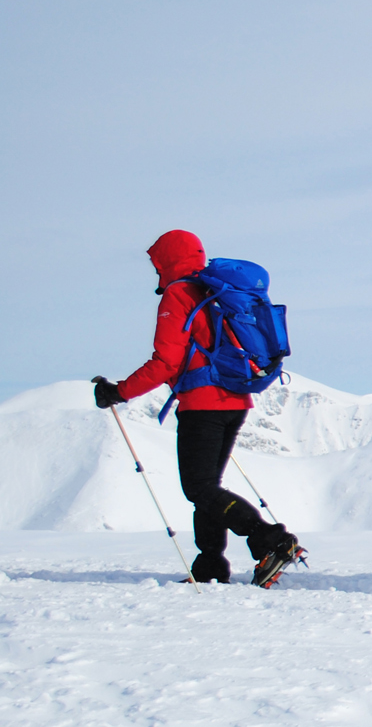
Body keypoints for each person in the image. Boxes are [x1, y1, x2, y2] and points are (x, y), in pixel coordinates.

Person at [91, 230, 300, 585]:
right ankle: (211, 567)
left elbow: (166, 362)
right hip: (235, 400)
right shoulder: (213, 291)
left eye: (157, 262)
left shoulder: (179, 293)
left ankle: (269, 539)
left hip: (203, 403)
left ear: (166, 260)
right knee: (207, 487)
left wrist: (120, 392)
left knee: (199, 488)